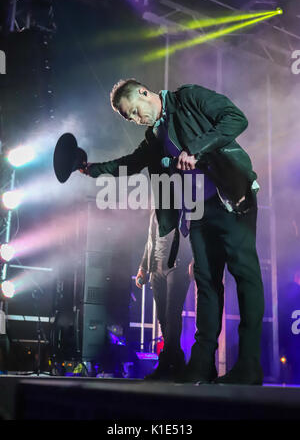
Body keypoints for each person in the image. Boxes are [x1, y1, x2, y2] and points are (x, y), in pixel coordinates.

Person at [80, 79, 265, 385]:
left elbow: (236, 118)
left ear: (143, 93)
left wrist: (196, 148)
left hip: (232, 197)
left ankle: (248, 364)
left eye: (135, 111)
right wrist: (90, 169)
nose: (137, 119)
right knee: (206, 284)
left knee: (245, 276)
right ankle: (202, 364)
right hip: (199, 210)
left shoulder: (188, 98)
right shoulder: (154, 135)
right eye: (130, 118)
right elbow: (130, 163)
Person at [135, 209, 190, 381]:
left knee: (172, 315)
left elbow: (195, 233)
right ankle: (178, 361)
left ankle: (166, 363)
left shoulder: (186, 206)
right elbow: (150, 240)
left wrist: (194, 259)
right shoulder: (155, 211)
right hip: (156, 268)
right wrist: (143, 267)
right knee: (163, 318)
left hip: (177, 266)